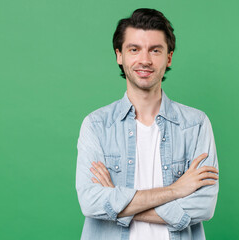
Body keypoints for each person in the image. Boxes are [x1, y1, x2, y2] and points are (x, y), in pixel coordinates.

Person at [75, 8, 219, 240]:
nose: (145, 60)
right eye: (134, 49)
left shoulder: (196, 125)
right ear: (119, 55)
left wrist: (116, 201)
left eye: (155, 50)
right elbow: (91, 203)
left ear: (169, 57)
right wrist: (175, 191)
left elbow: (204, 206)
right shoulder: (96, 125)